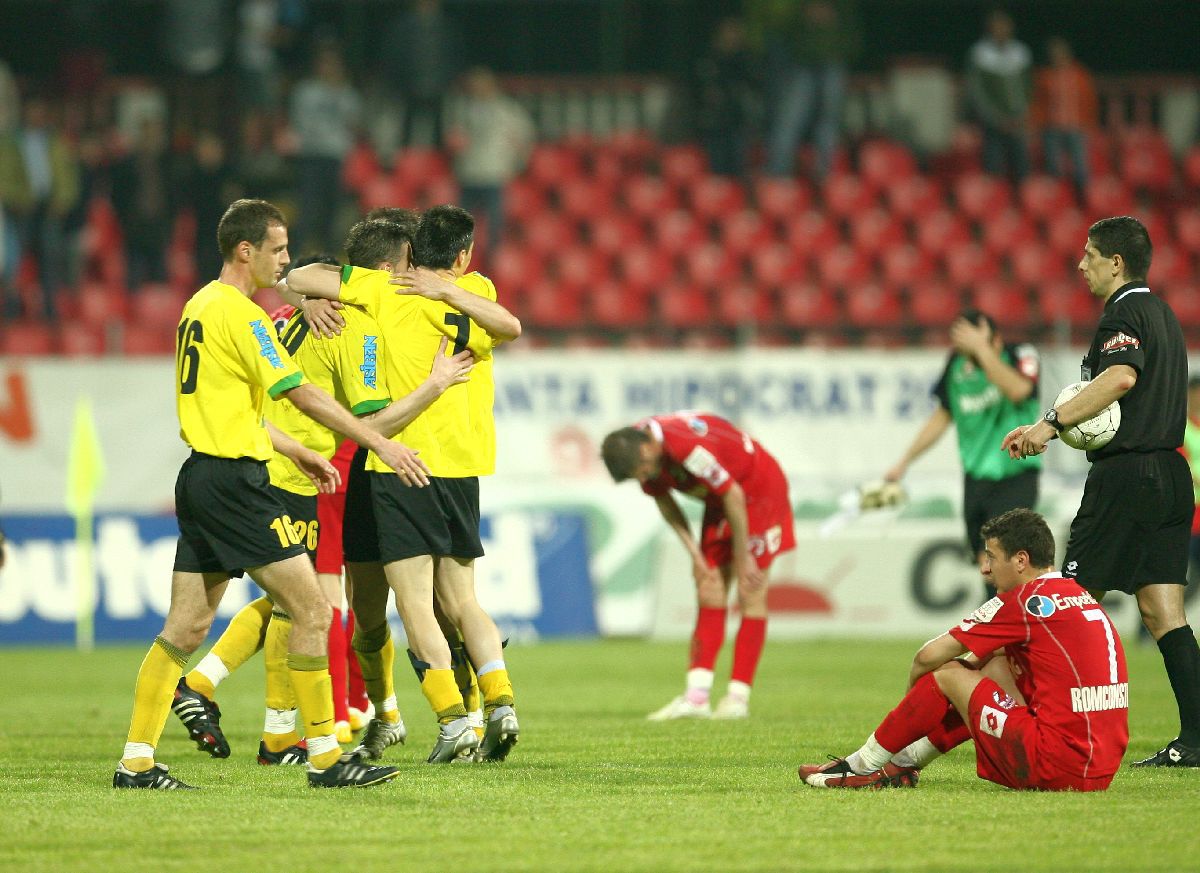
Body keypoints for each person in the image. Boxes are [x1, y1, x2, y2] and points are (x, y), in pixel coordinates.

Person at [112, 198, 429, 790]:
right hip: (237, 484)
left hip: (201, 476)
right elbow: (302, 393)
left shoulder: (197, 306)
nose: (286, 262)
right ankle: (324, 757)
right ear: (246, 250)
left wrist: (298, 450)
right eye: (280, 250)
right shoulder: (244, 315)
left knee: (184, 628)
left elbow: (234, 408)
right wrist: (377, 443)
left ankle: (135, 762)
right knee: (310, 609)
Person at [170, 241, 472, 762]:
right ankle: (297, 728)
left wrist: (298, 293)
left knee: (295, 602)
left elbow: (289, 281)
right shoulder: (354, 328)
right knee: (314, 604)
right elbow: (372, 422)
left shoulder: (289, 310)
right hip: (300, 470)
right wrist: (435, 385)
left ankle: (261, 723)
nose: (415, 278)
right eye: (408, 268)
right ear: (382, 272)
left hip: (274, 461)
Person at [282, 205, 522, 764]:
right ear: (462, 257)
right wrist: (450, 291)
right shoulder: (479, 289)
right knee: (460, 599)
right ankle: (499, 702)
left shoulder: (381, 294)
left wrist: (313, 294)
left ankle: (451, 720)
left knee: (411, 603)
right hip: (463, 465)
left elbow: (292, 274)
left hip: (400, 461)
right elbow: (510, 325)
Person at [1005, 215, 1200, 767]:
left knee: (1067, 601)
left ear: (1116, 262)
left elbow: (1119, 379)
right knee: (1165, 614)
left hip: (1127, 477)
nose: (1080, 264)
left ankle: (1055, 727)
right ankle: (1198, 739)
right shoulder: (1163, 314)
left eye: (1090, 255)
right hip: (1169, 472)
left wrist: (1048, 424)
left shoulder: (1125, 311)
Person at [799, 508, 1129, 791]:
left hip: (1056, 765)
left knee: (946, 674)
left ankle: (863, 765)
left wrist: (915, 707)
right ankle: (904, 762)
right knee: (996, 665)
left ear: (1020, 560)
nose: (984, 569)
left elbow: (926, 657)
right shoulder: (1078, 594)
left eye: (992, 558)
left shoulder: (1025, 601)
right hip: (1099, 770)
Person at [601, 412, 795, 720]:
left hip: (757, 491)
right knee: (709, 586)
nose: (643, 479)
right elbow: (665, 501)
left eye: (642, 471)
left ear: (649, 448)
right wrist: (695, 555)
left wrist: (743, 558)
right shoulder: (642, 453)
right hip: (721, 501)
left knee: (749, 590)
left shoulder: (687, 448)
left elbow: (733, 493)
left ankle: (737, 699)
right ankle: (697, 697)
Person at [886, 310, 1040, 599]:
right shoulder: (957, 366)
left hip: (1015, 473)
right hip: (975, 478)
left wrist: (982, 351)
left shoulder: (1021, 354)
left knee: (1007, 564)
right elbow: (943, 416)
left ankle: (1001, 635)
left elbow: (1019, 390)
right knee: (985, 564)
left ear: (993, 339)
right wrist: (904, 461)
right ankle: (1001, 633)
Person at [746, 0, 861, 180]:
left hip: (833, 60)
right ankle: (779, 171)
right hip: (802, 62)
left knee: (828, 119)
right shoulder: (795, 9)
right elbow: (782, 26)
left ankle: (824, 174)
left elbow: (851, 28)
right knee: (790, 118)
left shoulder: (843, 7)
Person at [448, 67, 534, 258]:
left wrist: (518, 163)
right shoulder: (462, 109)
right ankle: (460, 256)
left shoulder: (507, 110)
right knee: (462, 223)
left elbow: (524, 136)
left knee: (495, 223)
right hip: (469, 173)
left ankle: (493, 258)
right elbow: (453, 138)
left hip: (494, 174)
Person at [965, 9, 1032, 182]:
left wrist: (1022, 113)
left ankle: (1020, 202)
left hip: (1017, 119)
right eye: (997, 27)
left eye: (1005, 26)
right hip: (993, 121)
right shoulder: (980, 53)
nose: (1001, 30)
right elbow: (977, 91)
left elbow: (1026, 87)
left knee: (1021, 165)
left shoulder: (1020, 52)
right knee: (993, 165)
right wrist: (995, 118)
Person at [1032, 37, 1097, 197]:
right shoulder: (1044, 76)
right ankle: (1058, 200)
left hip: (1076, 127)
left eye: (1060, 52)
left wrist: (1089, 124)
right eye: (1054, 53)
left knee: (1080, 167)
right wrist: (1037, 124)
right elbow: (1038, 102)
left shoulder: (1080, 74)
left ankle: (1083, 200)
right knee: (1054, 168)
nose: (1057, 56)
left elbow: (1089, 100)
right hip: (1052, 127)